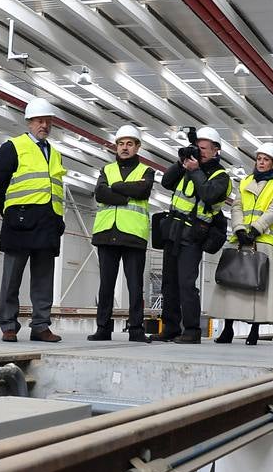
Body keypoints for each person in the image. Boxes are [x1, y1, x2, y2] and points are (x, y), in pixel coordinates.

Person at [0, 98, 65, 343]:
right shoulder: (12, 147)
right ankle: (8, 325)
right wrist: (10, 213)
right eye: (39, 120)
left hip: (47, 222)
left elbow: (56, 190)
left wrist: (58, 219)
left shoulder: (55, 153)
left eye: (48, 121)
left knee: (44, 279)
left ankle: (41, 325)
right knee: (12, 277)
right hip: (19, 222)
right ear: (29, 121)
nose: (44, 125)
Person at [154, 126, 232, 344]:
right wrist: (181, 164)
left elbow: (209, 194)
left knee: (186, 284)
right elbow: (166, 182)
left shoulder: (221, 176)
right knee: (168, 283)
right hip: (173, 232)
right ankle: (170, 328)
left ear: (216, 150)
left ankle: (191, 330)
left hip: (193, 236)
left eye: (205, 148)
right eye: (198, 147)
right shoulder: (187, 167)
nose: (201, 151)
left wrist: (196, 170)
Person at [211, 143, 273, 346]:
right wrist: (238, 228)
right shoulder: (245, 181)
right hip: (240, 238)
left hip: (263, 240)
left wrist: (255, 229)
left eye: (266, 159)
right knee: (231, 284)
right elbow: (237, 206)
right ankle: (227, 330)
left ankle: (254, 331)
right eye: (259, 159)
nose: (261, 162)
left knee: (258, 287)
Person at [88, 125, 155, 342]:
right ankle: (103, 329)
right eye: (121, 144)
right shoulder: (106, 169)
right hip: (107, 232)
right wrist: (126, 195)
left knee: (135, 286)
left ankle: (136, 329)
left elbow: (142, 190)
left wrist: (115, 187)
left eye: (129, 144)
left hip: (133, 234)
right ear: (116, 146)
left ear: (137, 147)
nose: (124, 148)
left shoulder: (146, 171)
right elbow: (100, 193)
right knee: (106, 284)